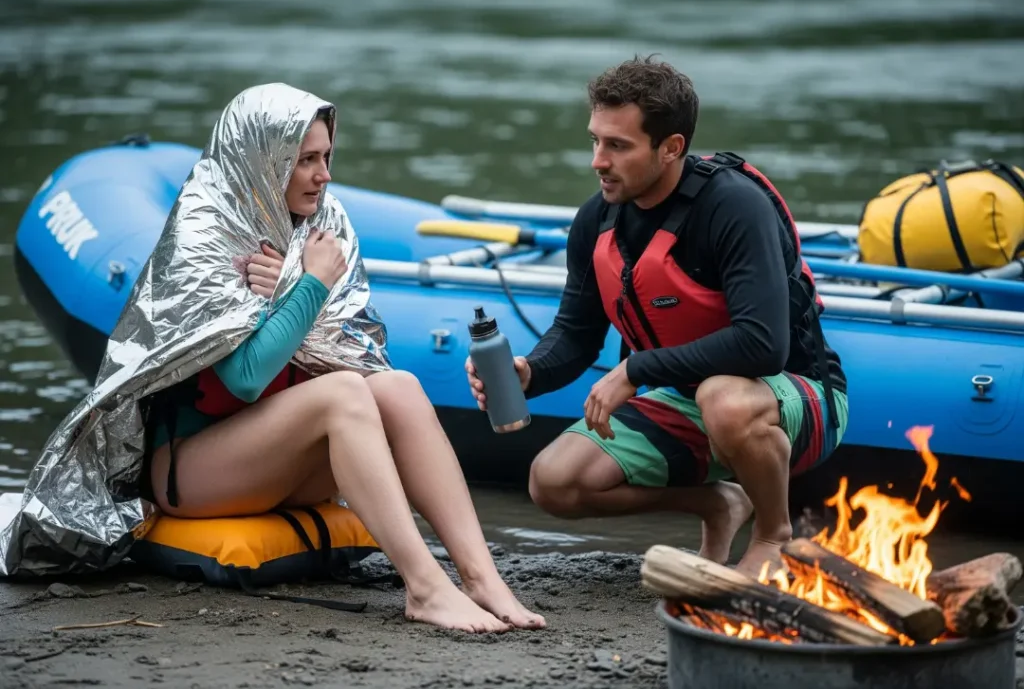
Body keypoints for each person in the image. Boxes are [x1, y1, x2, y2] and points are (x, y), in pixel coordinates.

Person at [141, 88, 544, 633]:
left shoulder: (321, 223)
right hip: (190, 473)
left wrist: (287, 286)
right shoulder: (205, 231)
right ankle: (425, 589)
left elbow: (356, 351)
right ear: (266, 159)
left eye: (326, 156)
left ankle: (480, 576)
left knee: (396, 385)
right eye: (306, 160)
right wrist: (308, 284)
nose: (323, 174)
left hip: (282, 464)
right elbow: (244, 378)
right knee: (343, 394)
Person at [466, 55, 849, 576]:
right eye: (595, 140)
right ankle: (718, 503)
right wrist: (528, 373)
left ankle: (772, 535)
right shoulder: (596, 218)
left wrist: (636, 370)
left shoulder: (734, 207)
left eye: (618, 146)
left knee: (725, 399)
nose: (598, 161)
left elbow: (763, 346)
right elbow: (576, 335)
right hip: (689, 402)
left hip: (798, 396)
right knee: (553, 481)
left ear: (672, 148)